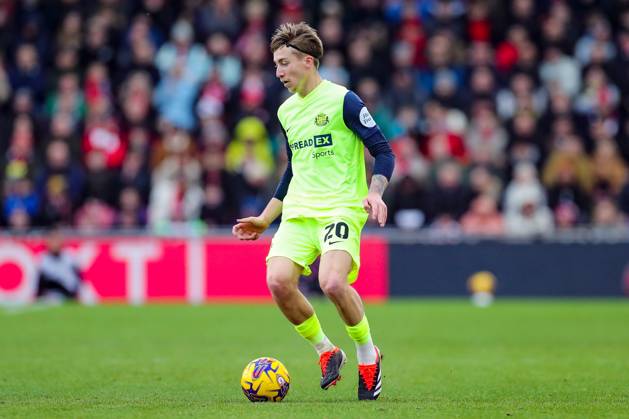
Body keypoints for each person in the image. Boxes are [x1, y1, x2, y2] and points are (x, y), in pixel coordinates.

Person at [232, 22, 394, 401]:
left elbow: (384, 151)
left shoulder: (344, 100)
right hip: (300, 212)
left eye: (285, 63)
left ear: (309, 61)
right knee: (277, 282)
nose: (279, 72)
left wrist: (376, 192)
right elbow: (293, 169)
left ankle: (368, 356)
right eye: (275, 64)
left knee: (333, 283)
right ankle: (326, 350)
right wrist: (265, 217)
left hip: (340, 207)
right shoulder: (287, 112)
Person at [36, 228, 81, 301]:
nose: (54, 243)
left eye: (57, 240)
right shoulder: (43, 259)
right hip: (49, 296)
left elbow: (77, 280)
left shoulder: (69, 257)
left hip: (67, 295)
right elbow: (41, 283)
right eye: (52, 240)